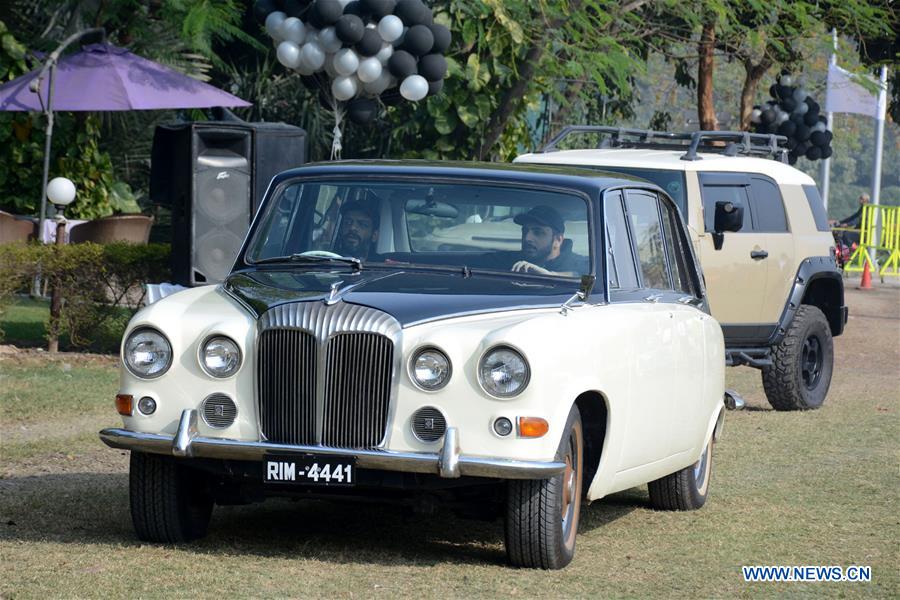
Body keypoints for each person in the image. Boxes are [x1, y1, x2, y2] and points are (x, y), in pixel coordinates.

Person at [507, 205, 588, 276]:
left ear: (558, 240)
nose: (527, 238)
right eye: (525, 231)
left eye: (537, 232)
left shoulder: (580, 264)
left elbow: (591, 282)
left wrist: (551, 276)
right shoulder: (510, 261)